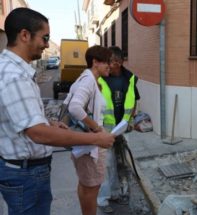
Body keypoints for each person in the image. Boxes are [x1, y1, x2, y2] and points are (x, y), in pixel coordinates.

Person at [0, 8, 114, 215]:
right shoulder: (14, 75)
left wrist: (48, 123)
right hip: (25, 173)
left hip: (27, 171)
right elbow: (37, 133)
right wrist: (96, 137)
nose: (46, 44)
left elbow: (18, 120)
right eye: (45, 38)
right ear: (25, 35)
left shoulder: (17, 71)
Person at [65, 45, 112, 215]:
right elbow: (75, 107)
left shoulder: (85, 79)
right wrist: (98, 128)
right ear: (95, 62)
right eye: (107, 61)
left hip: (84, 144)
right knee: (92, 188)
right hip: (89, 145)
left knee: (85, 185)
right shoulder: (88, 80)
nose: (110, 65)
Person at [97, 46, 140, 213]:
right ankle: (102, 199)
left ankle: (115, 193)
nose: (108, 65)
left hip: (122, 128)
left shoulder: (129, 79)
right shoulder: (99, 79)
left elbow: (134, 100)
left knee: (119, 162)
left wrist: (129, 121)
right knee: (106, 164)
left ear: (119, 62)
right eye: (107, 61)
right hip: (105, 128)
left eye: (111, 62)